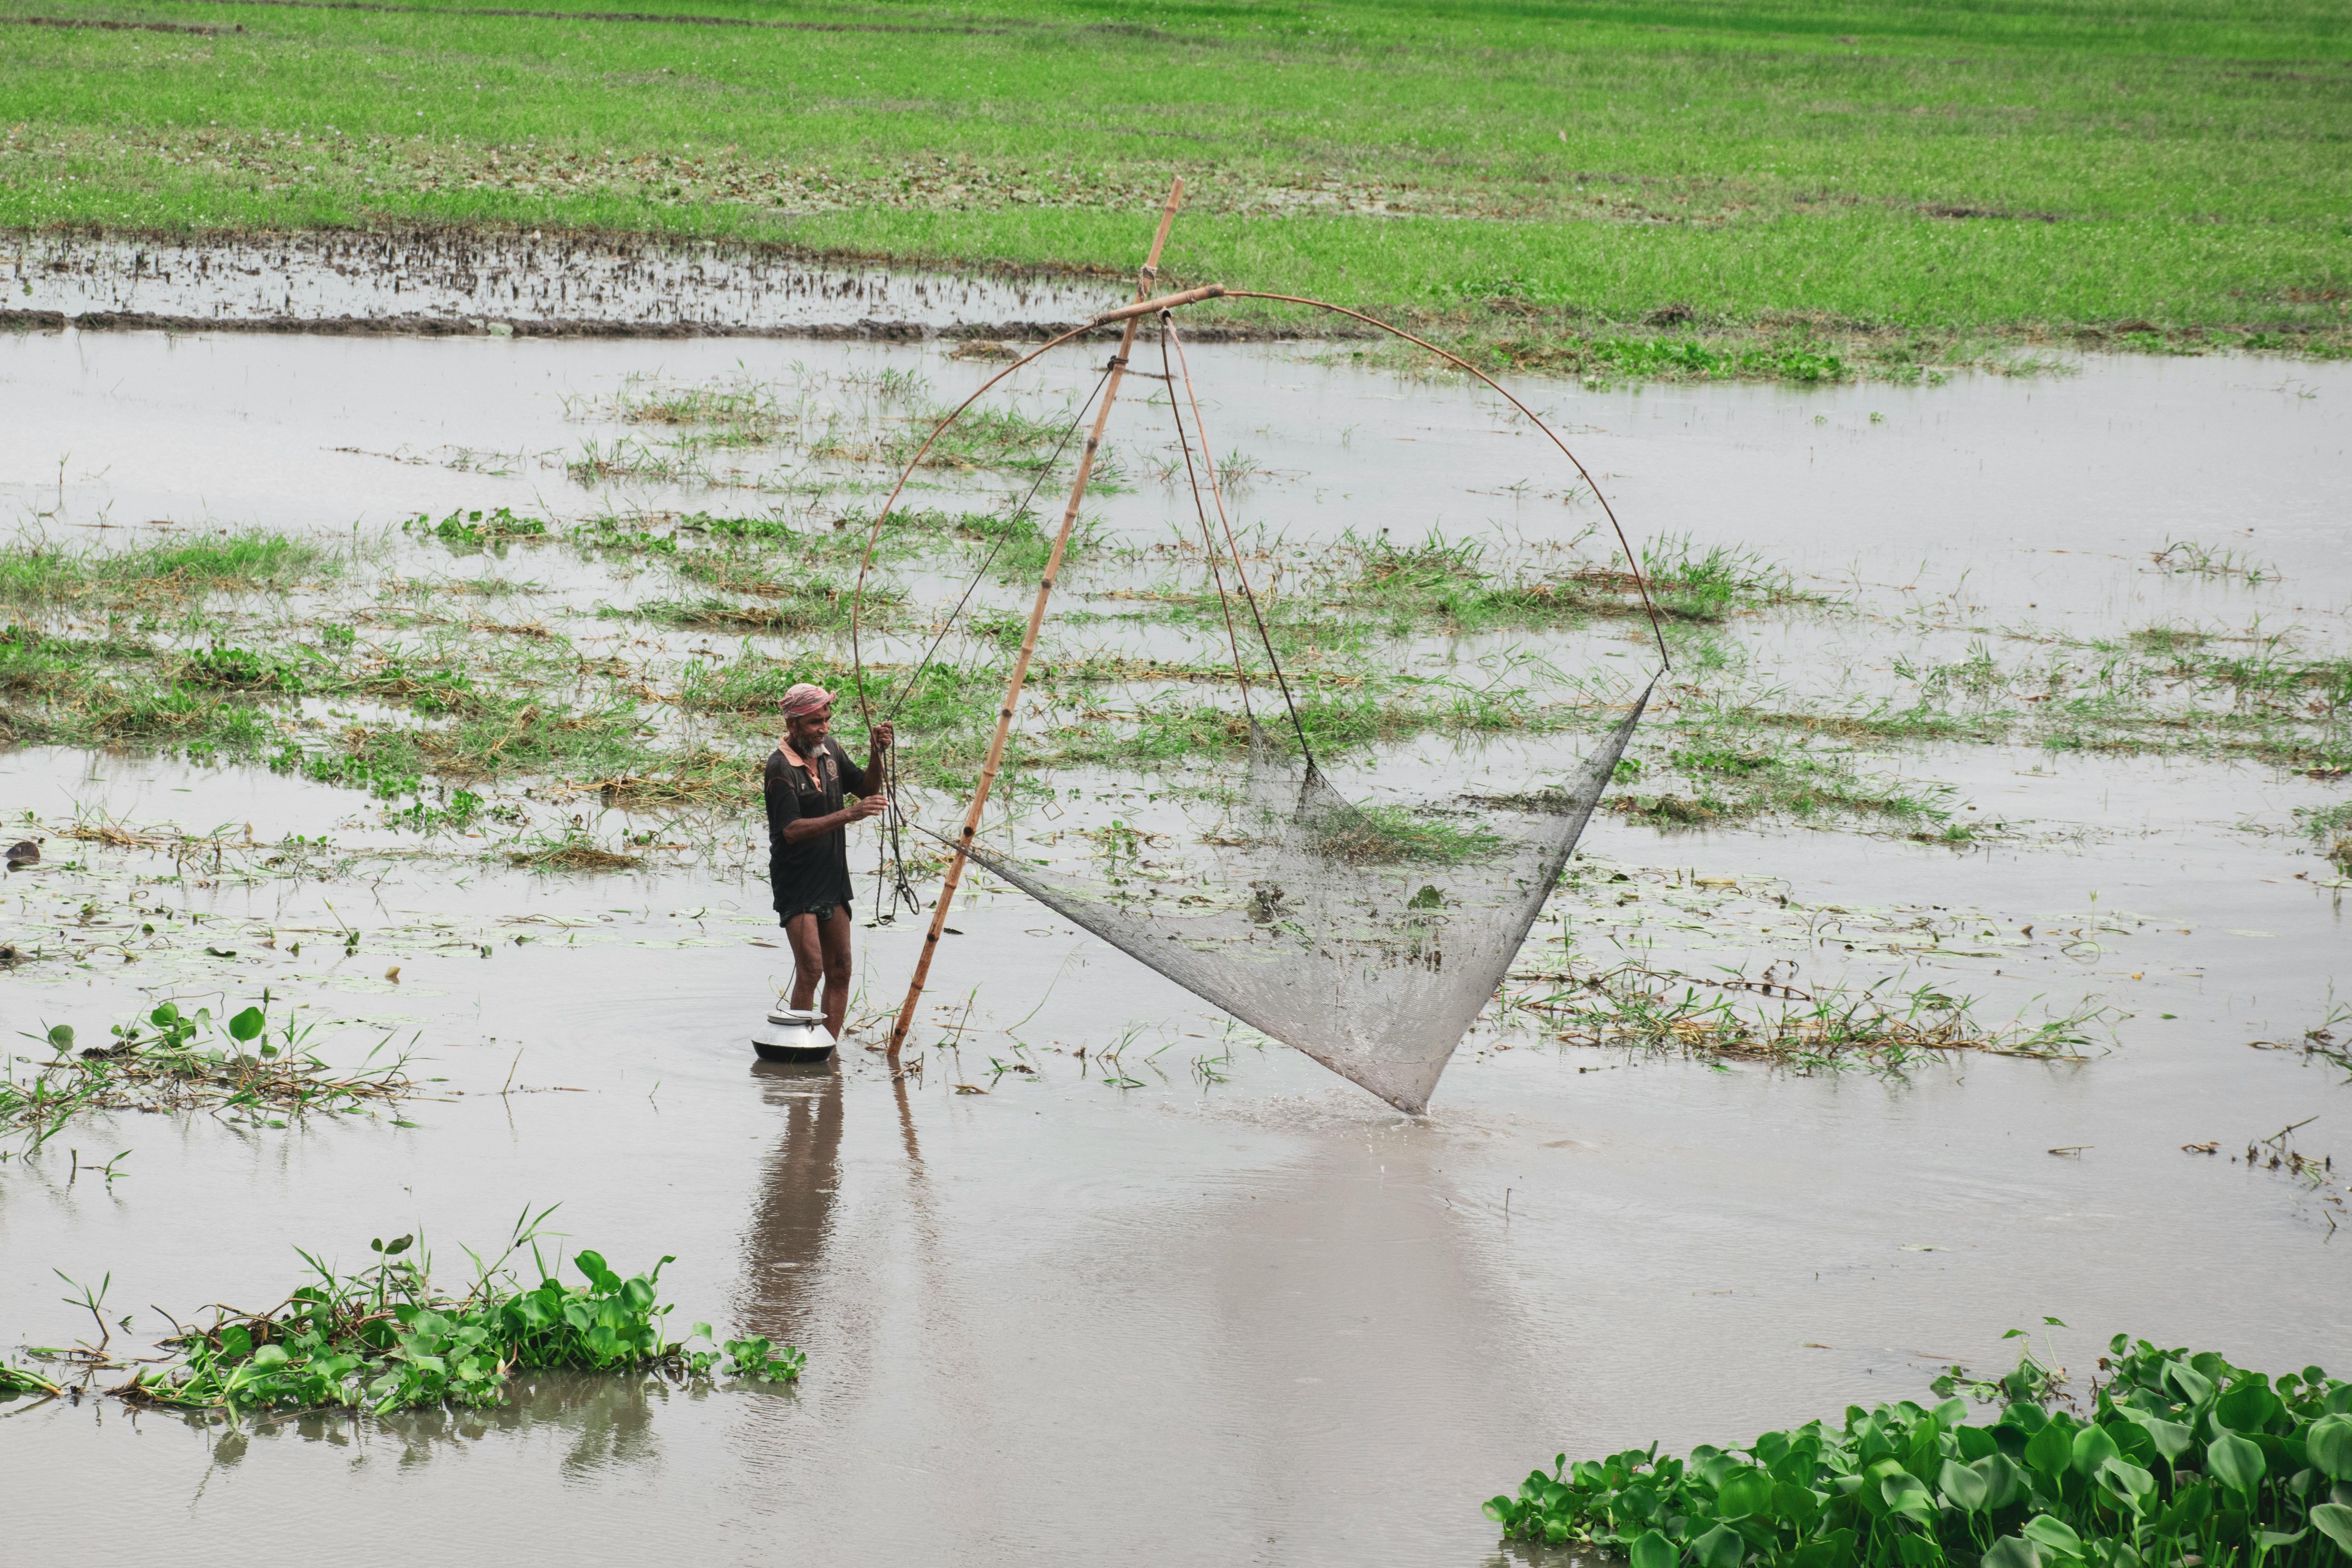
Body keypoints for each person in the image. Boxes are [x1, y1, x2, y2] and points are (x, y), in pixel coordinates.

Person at [763, 683, 891, 1041]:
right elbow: (791, 830)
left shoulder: (830, 751)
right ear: (793, 725)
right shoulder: (780, 769)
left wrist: (876, 753)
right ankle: (797, 1049)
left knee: (840, 969)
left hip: (833, 877)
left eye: (827, 719)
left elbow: (866, 789)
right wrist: (849, 815)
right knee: (811, 970)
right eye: (815, 723)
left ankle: (826, 1050)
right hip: (798, 880)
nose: (825, 728)